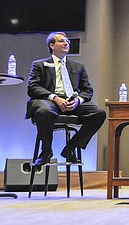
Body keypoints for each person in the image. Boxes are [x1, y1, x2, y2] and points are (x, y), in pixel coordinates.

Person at [26, 32, 106, 169]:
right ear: (52, 45)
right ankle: (46, 151)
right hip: (49, 100)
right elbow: (32, 87)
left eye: (67, 41)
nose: (66, 43)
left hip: (72, 101)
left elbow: (87, 90)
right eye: (62, 41)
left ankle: (70, 148)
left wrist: (78, 101)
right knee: (44, 111)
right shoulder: (39, 65)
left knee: (99, 113)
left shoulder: (78, 67)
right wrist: (55, 98)